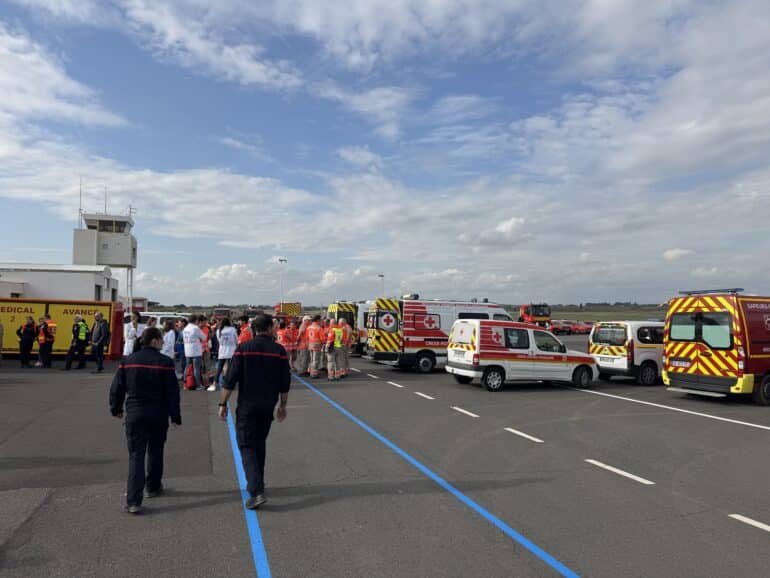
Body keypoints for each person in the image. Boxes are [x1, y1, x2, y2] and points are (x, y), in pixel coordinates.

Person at [219, 314, 290, 509]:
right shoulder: (279, 351)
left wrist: (222, 404)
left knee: (246, 445)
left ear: (254, 329)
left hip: (248, 406)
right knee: (259, 443)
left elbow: (230, 380)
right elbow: (285, 381)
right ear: (268, 328)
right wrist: (282, 405)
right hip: (268, 405)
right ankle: (259, 482)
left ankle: (256, 491)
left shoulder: (243, 350)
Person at [110, 327, 181, 514]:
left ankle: (133, 500)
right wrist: (176, 416)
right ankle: (153, 486)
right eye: (161, 339)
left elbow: (117, 387)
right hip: (158, 414)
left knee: (136, 455)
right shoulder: (165, 362)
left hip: (135, 413)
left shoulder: (128, 361)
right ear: (155, 341)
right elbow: (172, 392)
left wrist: (116, 408)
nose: (163, 342)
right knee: (156, 451)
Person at [183, 315, 206, 390]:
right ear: (195, 321)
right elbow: (204, 337)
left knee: (187, 368)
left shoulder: (185, 328)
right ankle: (198, 385)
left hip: (187, 351)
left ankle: (185, 384)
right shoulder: (196, 328)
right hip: (196, 351)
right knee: (196, 369)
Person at [214, 317, 237, 391]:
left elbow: (219, 341)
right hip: (231, 351)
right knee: (230, 368)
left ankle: (215, 382)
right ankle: (228, 382)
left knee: (219, 368)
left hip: (222, 351)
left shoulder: (218, 331)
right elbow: (236, 339)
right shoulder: (232, 330)